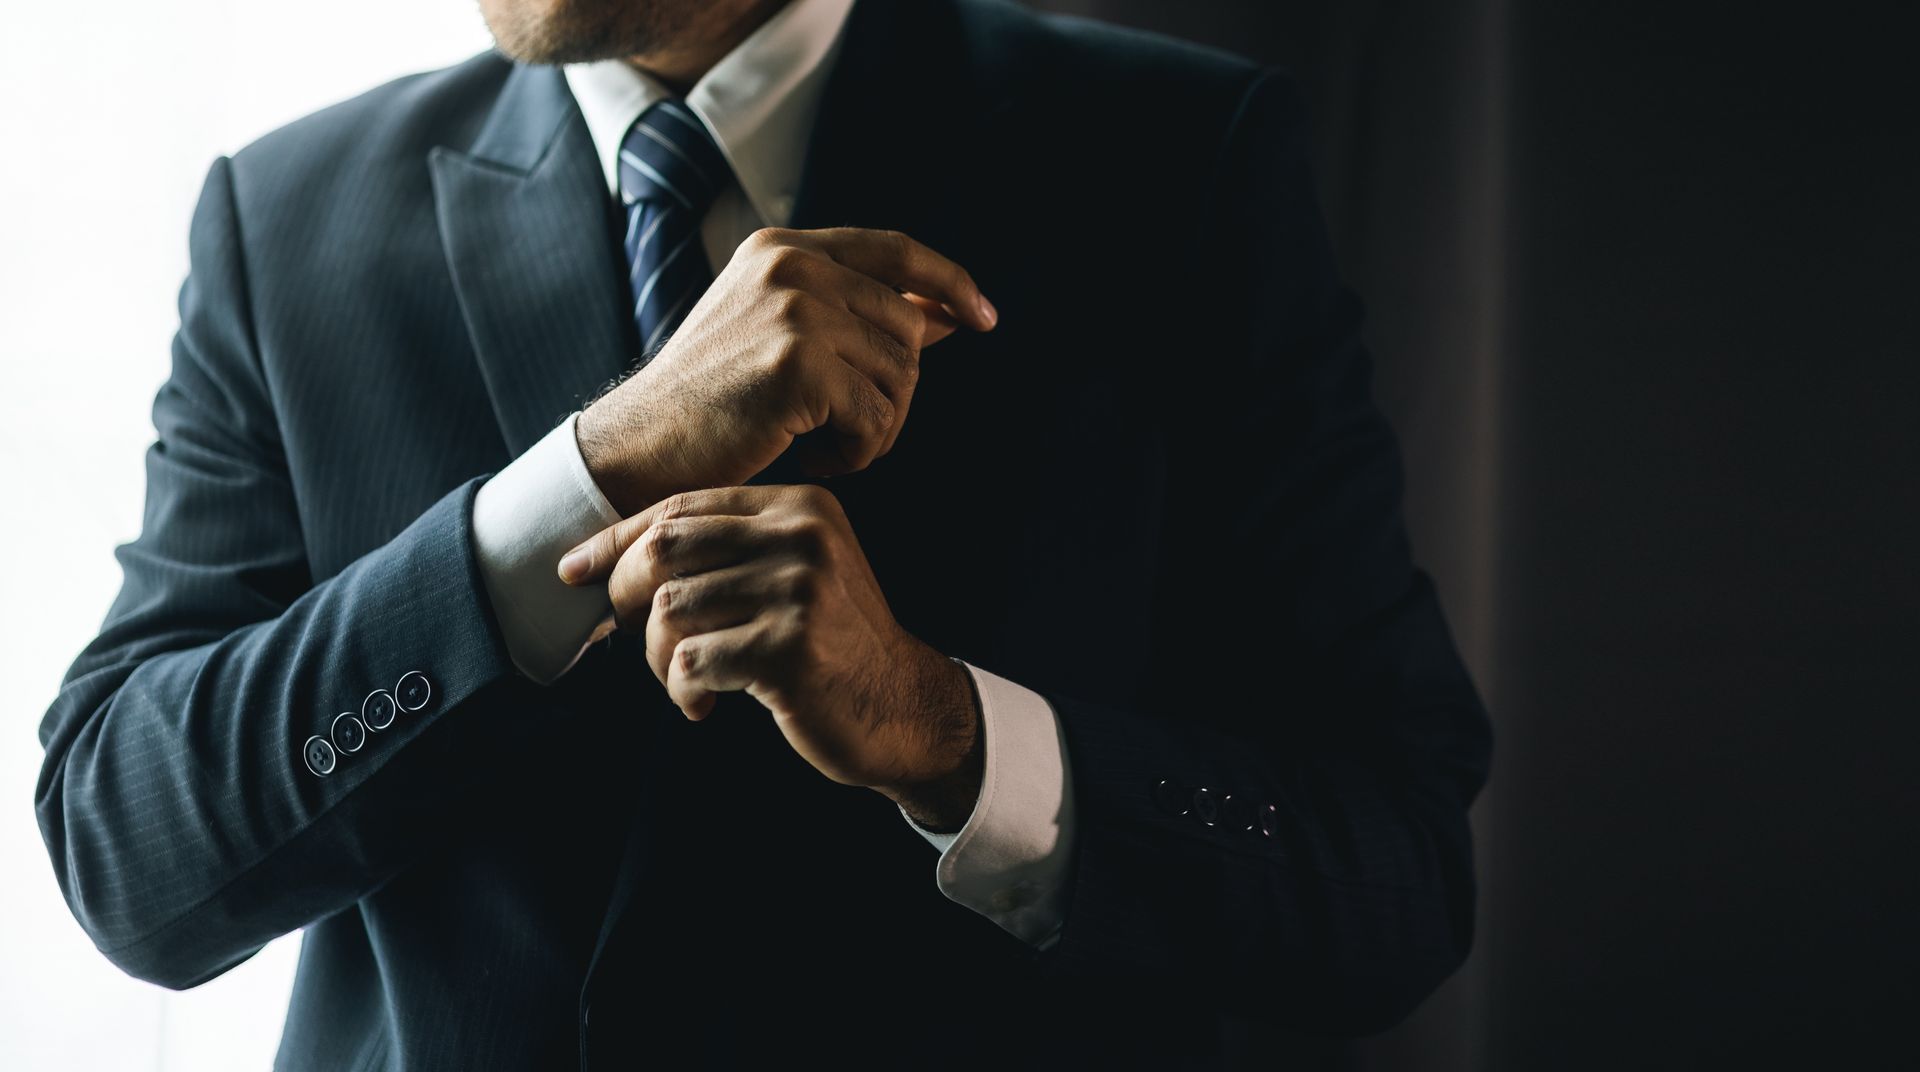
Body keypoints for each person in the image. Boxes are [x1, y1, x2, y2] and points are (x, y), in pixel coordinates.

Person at [33, 0, 1493, 1066]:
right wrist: (594, 469)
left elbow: (1394, 878)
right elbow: (130, 853)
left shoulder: (1174, 159)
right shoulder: (283, 217)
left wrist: (947, 733)